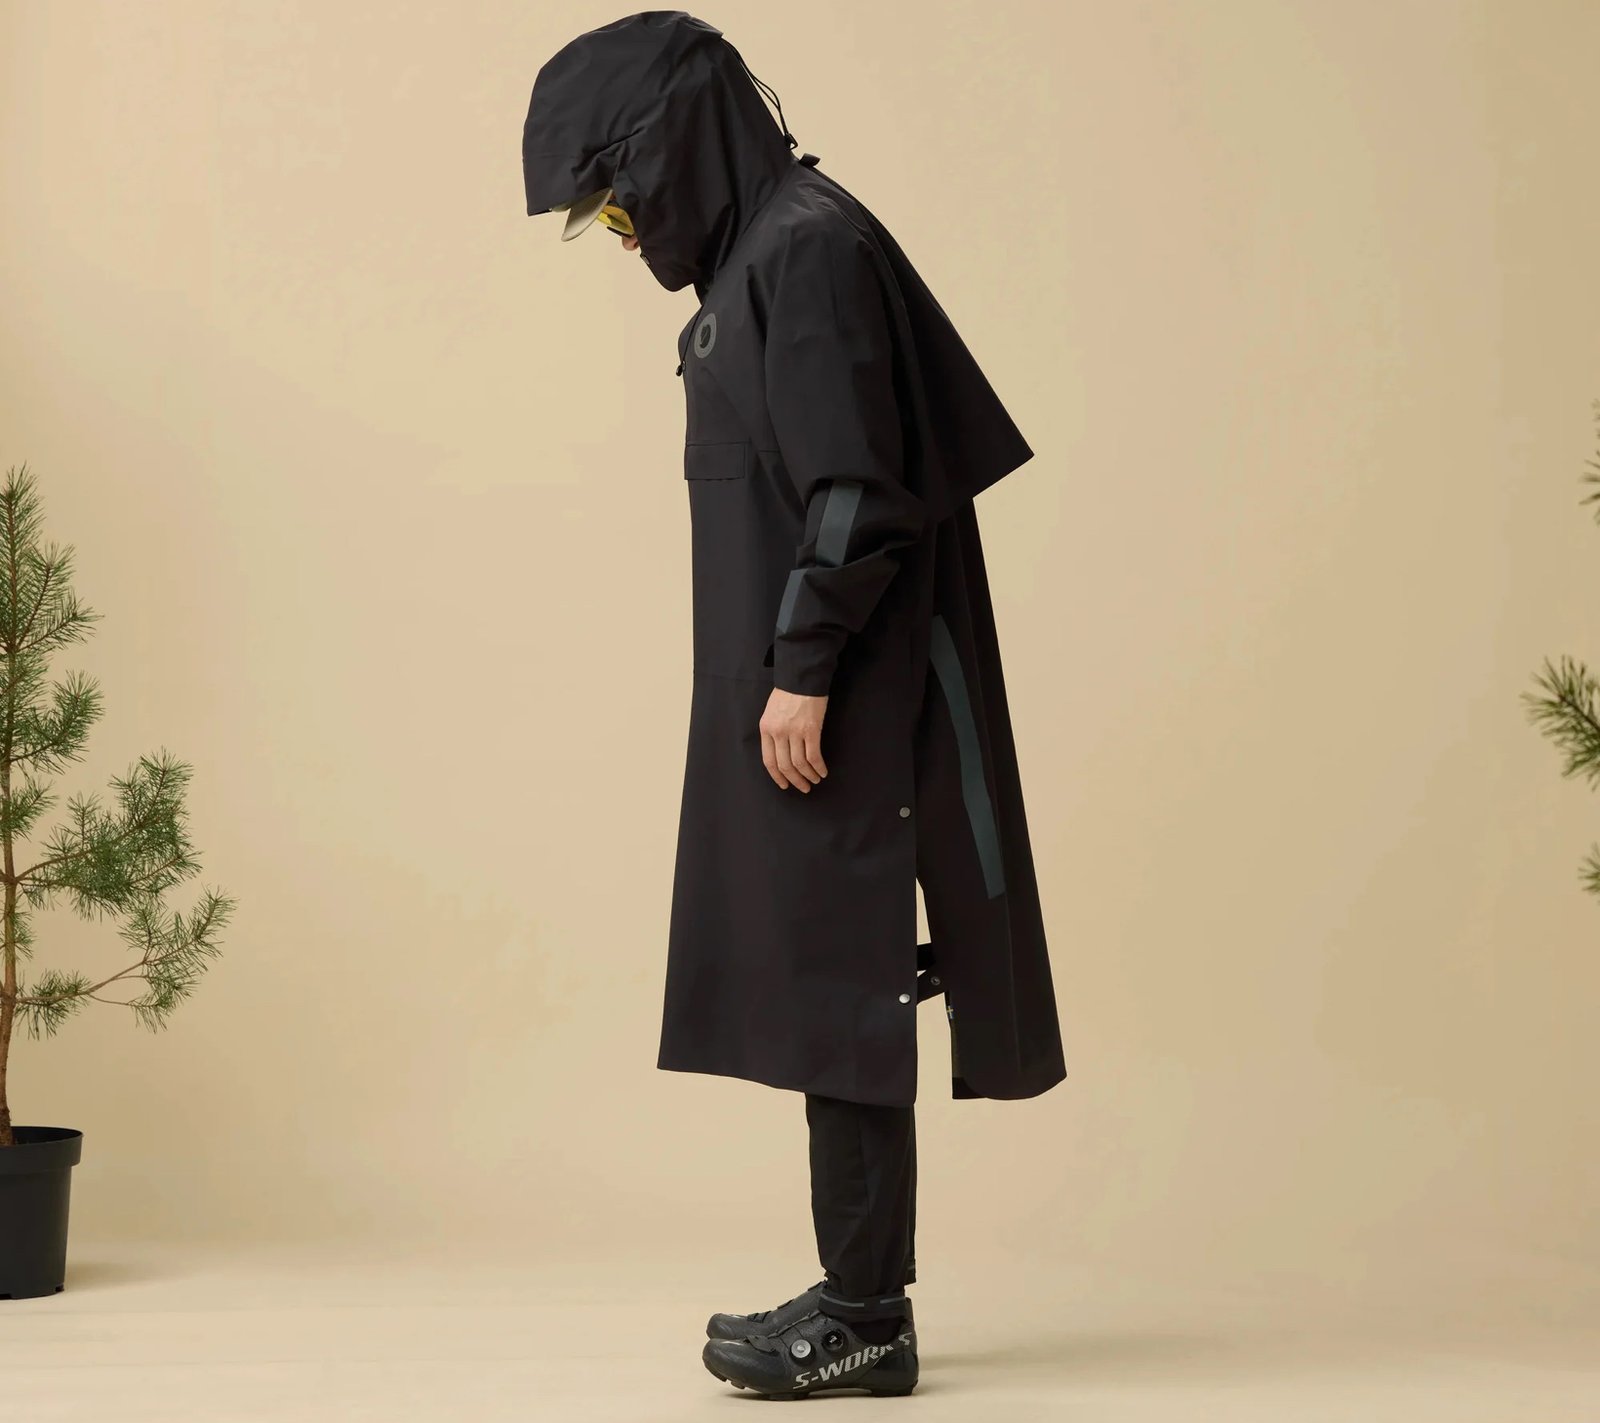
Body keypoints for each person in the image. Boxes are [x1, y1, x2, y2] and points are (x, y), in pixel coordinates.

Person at [523, 10, 1067, 1401]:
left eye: (617, 197)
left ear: (675, 148)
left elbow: (856, 490)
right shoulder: (767, 254)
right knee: (828, 976)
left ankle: (866, 1315)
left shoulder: (805, 251)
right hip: (804, 677)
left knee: (842, 983)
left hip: (843, 685)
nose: (622, 233)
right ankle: (856, 1295)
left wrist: (804, 668)